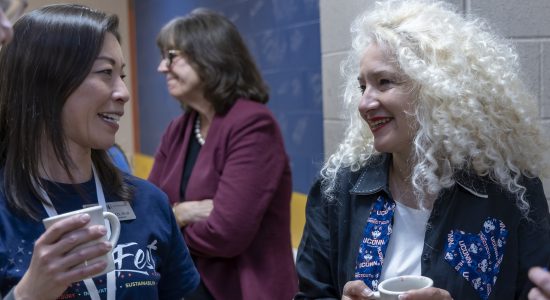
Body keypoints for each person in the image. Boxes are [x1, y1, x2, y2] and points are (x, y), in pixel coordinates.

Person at [295, 1, 550, 300]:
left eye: (384, 82)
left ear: (436, 89)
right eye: (363, 86)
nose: (364, 103)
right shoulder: (336, 192)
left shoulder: (512, 192)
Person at [0, 4, 199, 299]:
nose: (123, 93)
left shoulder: (148, 202)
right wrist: (28, 294)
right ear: (45, 82)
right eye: (106, 72)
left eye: (122, 75)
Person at [149, 7, 298, 300]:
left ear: (209, 56)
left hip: (242, 289)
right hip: (185, 284)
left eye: (171, 56)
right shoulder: (178, 129)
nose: (161, 68)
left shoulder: (252, 124)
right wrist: (181, 214)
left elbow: (227, 232)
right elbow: (149, 214)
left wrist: (170, 230)